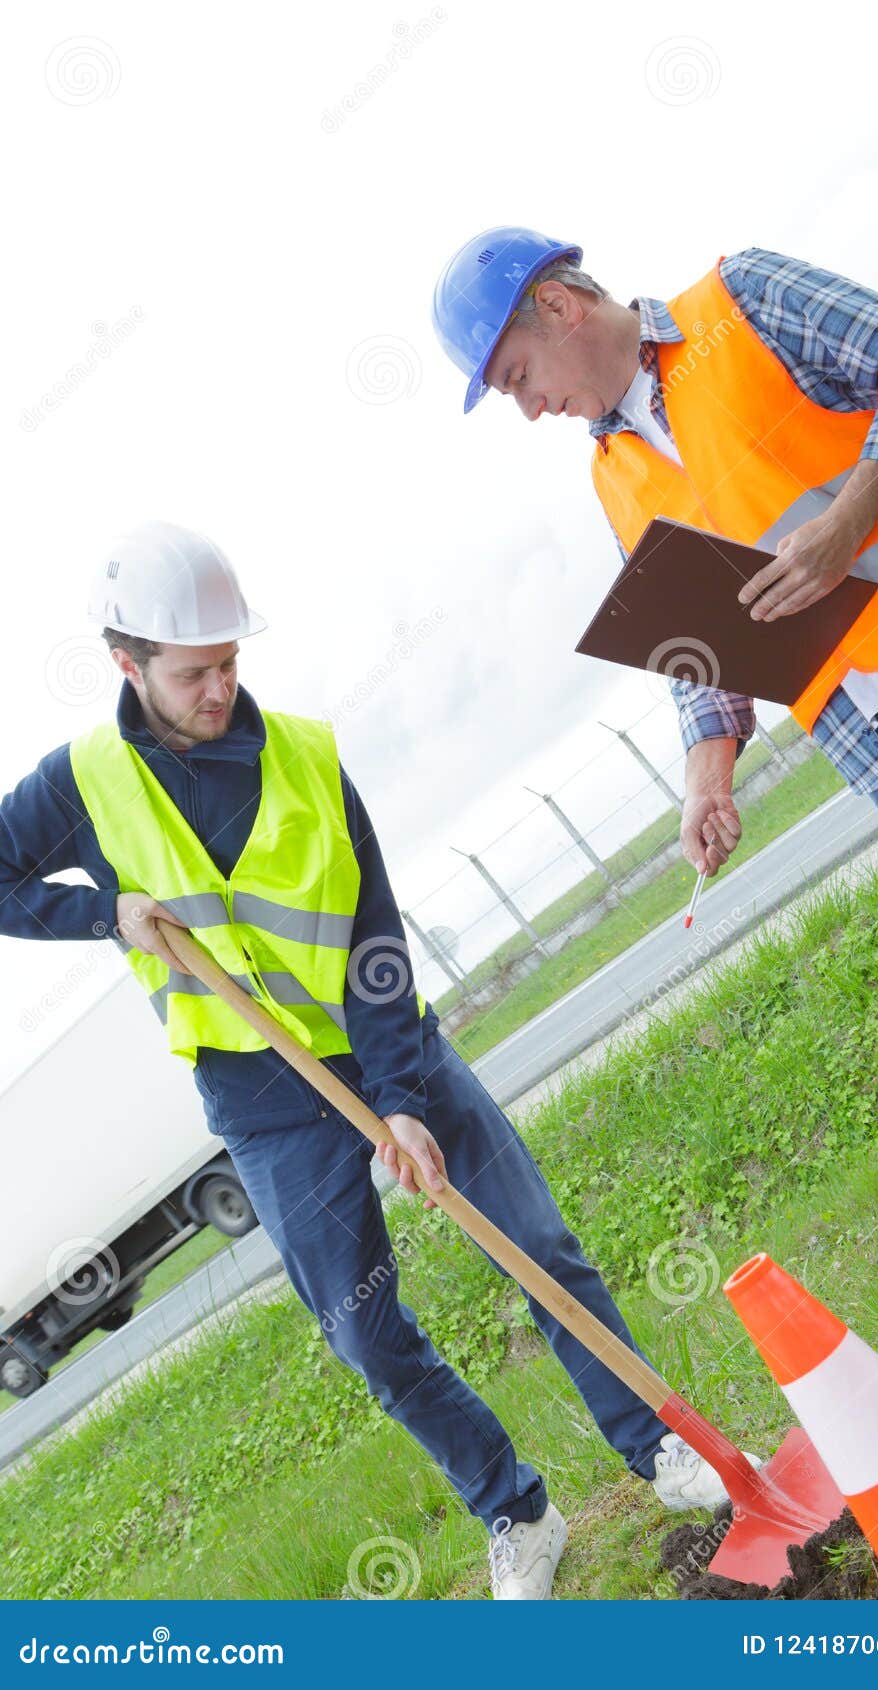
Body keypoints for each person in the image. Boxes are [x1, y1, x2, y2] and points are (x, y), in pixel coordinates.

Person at [0, 519, 757, 1600]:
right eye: (194, 671)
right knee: (364, 1335)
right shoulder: (79, 784)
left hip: (382, 1048)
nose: (219, 687)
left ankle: (659, 1445)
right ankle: (515, 1510)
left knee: (532, 1240)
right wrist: (102, 915)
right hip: (261, 1102)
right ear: (128, 664)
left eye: (229, 663)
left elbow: (375, 942)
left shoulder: (302, 756)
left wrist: (400, 1098)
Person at [433, 229, 878, 960]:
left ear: (556, 305)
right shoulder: (613, 474)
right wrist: (706, 781)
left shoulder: (740, 302)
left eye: (516, 377)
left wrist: (847, 522)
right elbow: (700, 646)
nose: (531, 410)